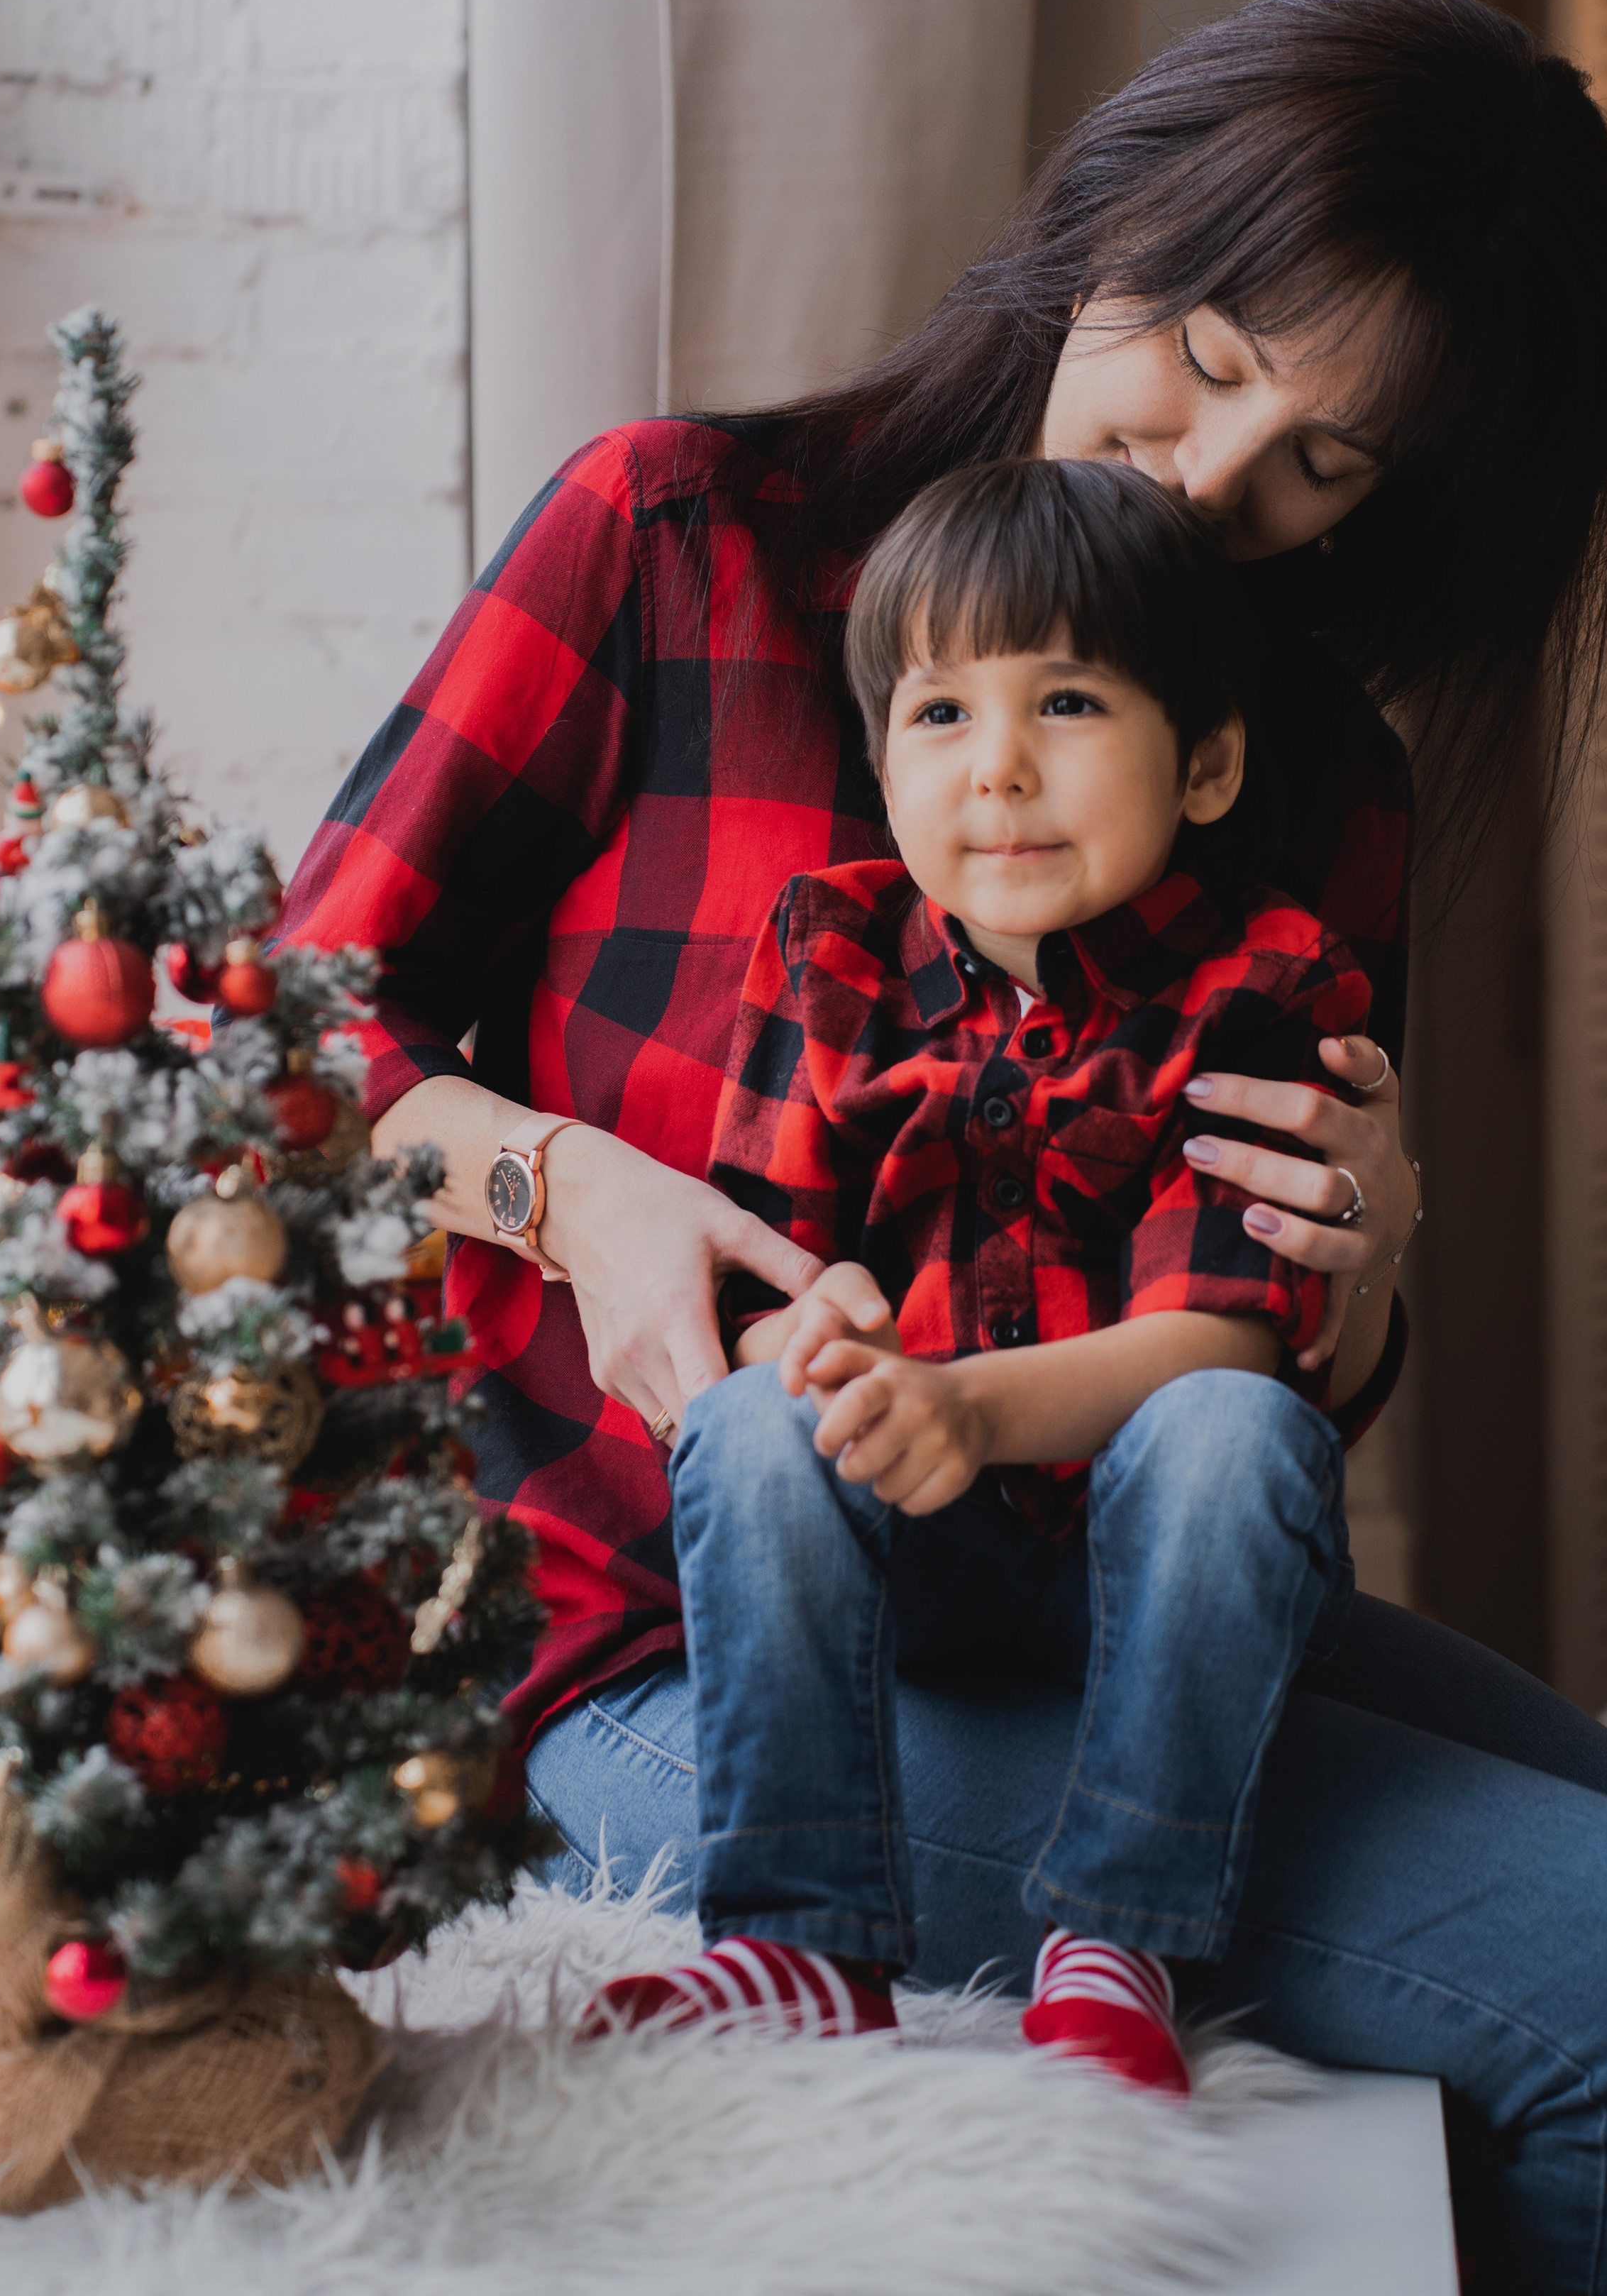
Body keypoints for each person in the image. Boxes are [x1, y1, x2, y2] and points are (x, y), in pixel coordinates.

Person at [281, 0, 1607, 2292]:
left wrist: (1362, 1276)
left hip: (1113, 1606)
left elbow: (1264, 1378)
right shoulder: (677, 538)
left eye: (1322, 463)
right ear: (1105, 225)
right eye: (1198, 354)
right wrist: (563, 1188)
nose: (1208, 486)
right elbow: (273, 1041)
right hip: (672, 1644)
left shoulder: (1311, 777)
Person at [575, 453, 1386, 2090]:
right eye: (941, 715)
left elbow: (1222, 1342)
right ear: (880, 765)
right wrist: (829, 1335)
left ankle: (1119, 1942)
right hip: (913, 1561)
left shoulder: (1260, 979)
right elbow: (760, 1273)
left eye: (1067, 703)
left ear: (1205, 763)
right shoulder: (829, 950)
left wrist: (963, 1402)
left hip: (1144, 1577)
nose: (999, 770)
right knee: (744, 1424)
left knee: (1239, 1435)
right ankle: (796, 1946)